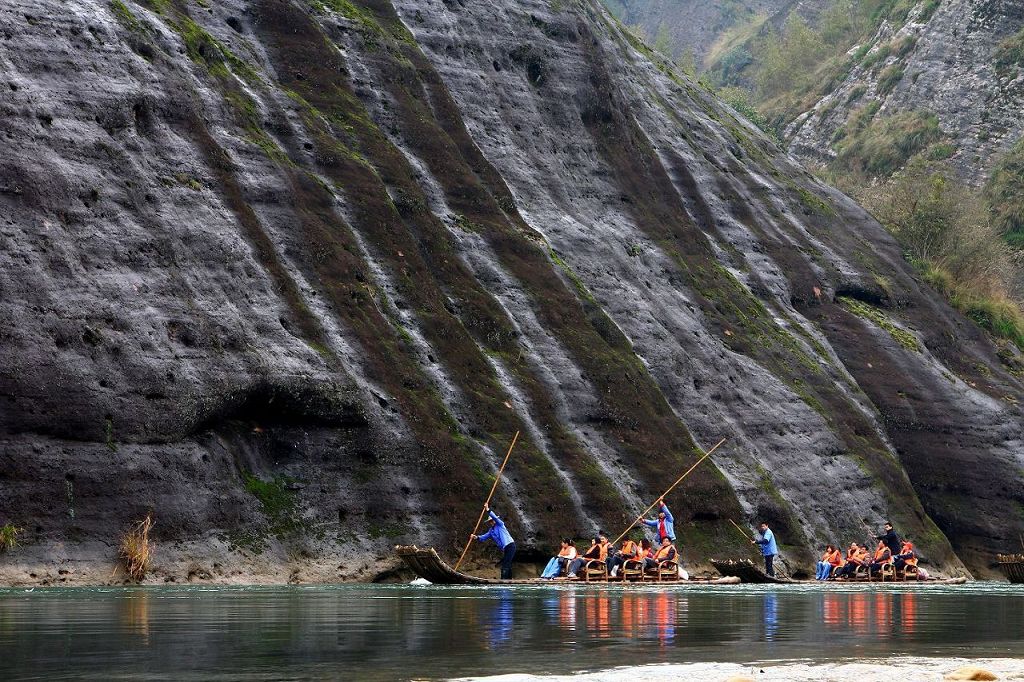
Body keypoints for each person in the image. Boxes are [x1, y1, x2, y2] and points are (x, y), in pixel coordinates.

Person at [471, 503, 516, 579]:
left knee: (505, 563)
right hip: (505, 548)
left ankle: (505, 581)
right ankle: (508, 580)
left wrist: (488, 509)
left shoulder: (500, 525)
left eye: (492, 521)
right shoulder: (491, 531)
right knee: (507, 563)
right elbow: (483, 537)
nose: (491, 522)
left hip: (510, 545)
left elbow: (495, 518)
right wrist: (475, 537)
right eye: (490, 521)